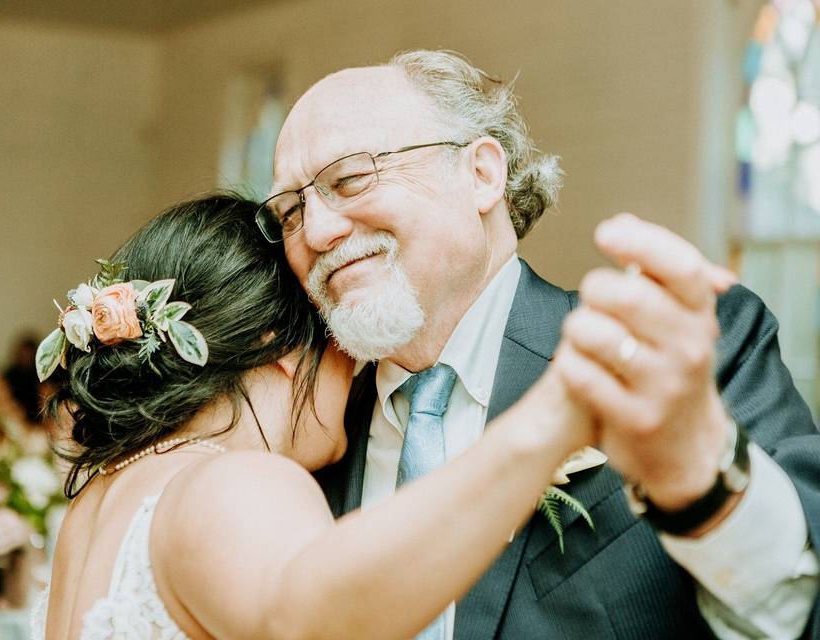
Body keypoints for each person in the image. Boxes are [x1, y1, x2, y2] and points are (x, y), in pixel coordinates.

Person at [263, 49, 820, 638]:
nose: (318, 233)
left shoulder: (669, 355)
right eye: (291, 212)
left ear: (481, 174)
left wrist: (703, 482)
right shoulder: (313, 443)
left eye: (350, 180)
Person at [36, 194, 597, 639]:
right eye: (341, 338)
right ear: (277, 345)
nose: (358, 366)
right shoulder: (234, 479)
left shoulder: (102, 501)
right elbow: (316, 624)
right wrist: (543, 427)